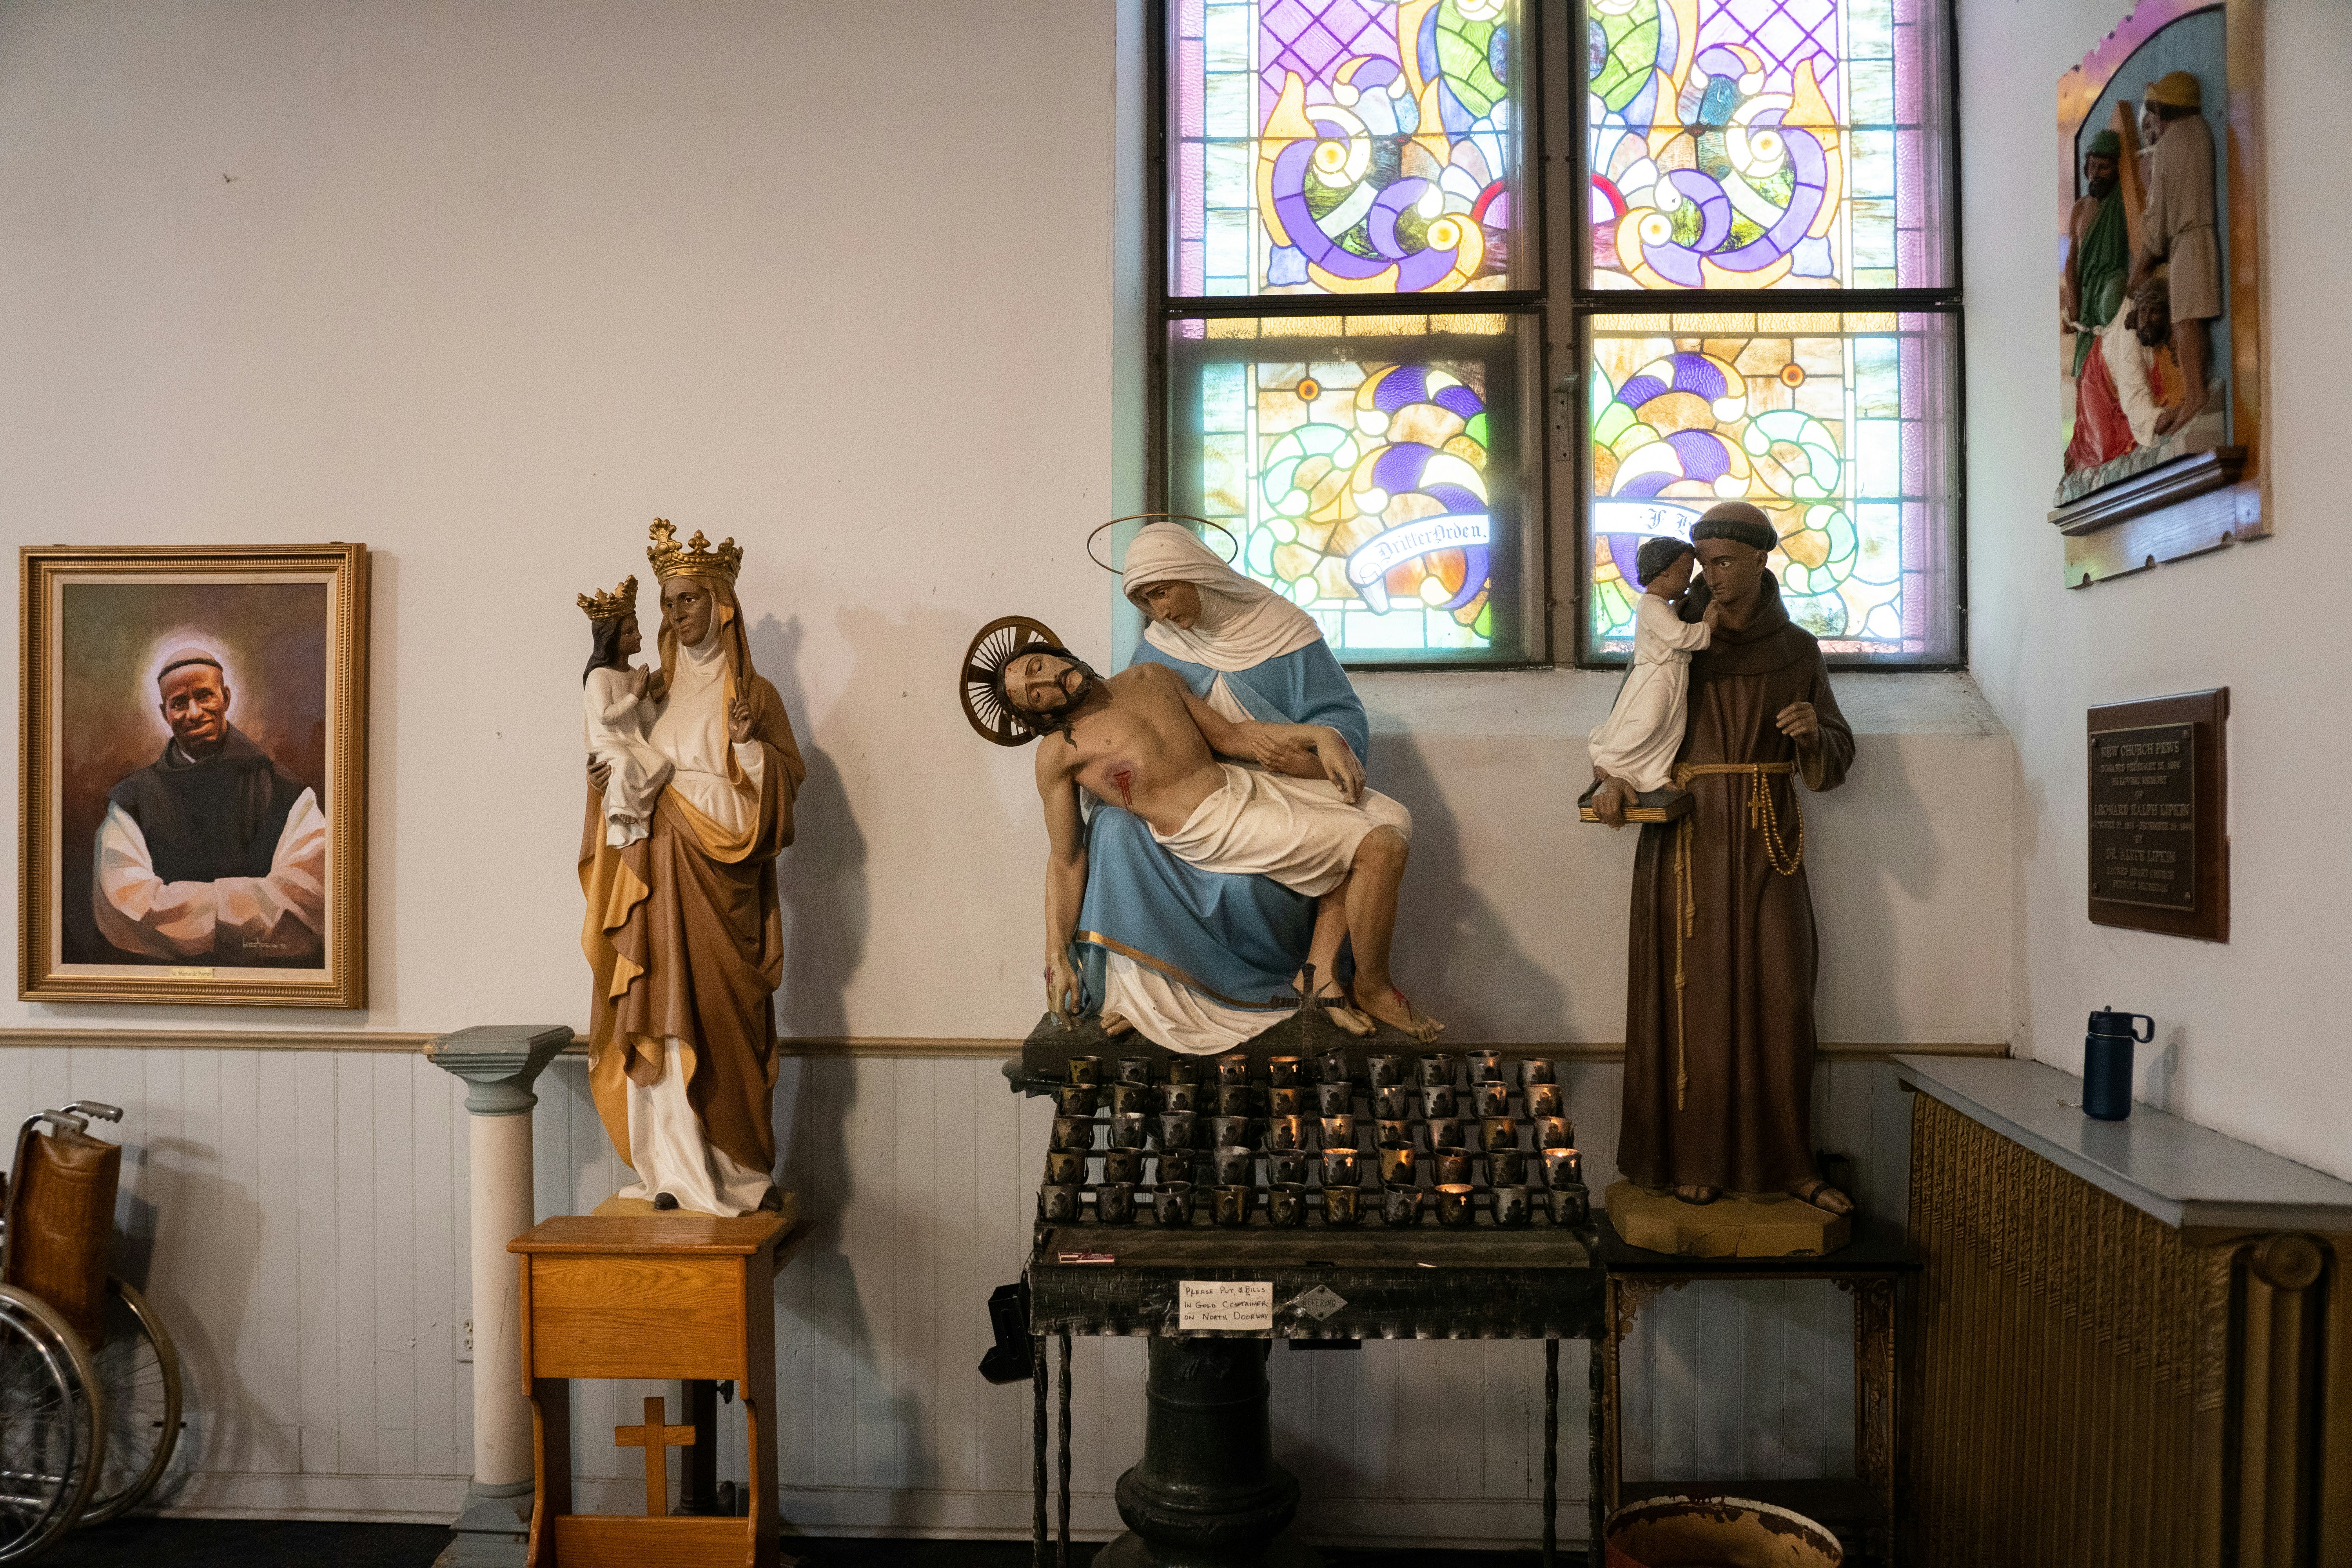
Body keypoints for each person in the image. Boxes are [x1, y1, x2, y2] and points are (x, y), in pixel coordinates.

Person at [1590, 502, 1855, 1212]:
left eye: (1726, 561)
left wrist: (1812, 734)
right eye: (1704, 562)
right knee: (1695, 1000)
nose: (1711, 574)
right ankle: (1694, 1157)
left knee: (1783, 995)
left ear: (1762, 560)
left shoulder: (1798, 650)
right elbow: (1630, 720)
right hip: (1689, 838)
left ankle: (1789, 1163)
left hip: (1769, 834)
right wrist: (1610, 779)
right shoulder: (1676, 637)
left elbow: (1836, 753)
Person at [999, 639, 1441, 1043]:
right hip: (1208, 826)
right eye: (1034, 695)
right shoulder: (1059, 752)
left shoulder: (1151, 676)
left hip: (1241, 787)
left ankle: (1321, 973)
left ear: (1054, 653)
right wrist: (1056, 952)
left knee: (1392, 816)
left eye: (1038, 667)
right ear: (1039, 715)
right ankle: (1372, 986)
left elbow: (1234, 737)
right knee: (1381, 847)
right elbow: (1067, 859)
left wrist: (1320, 736)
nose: (1046, 682)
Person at [581, 522, 806, 1217]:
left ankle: (736, 1169)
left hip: (725, 882)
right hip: (656, 876)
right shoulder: (651, 691)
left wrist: (751, 748)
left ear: (722, 605)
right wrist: (600, 784)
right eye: (668, 602)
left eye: (690, 599)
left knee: (722, 1016)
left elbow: (783, 794)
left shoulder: (755, 696)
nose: (677, 614)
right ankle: (672, 1168)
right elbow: (619, 766)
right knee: (659, 1010)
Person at [1084, 521, 1380, 1047]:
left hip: (1281, 785)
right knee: (1112, 826)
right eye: (1146, 603)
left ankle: (1313, 980)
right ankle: (1148, 994)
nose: (1159, 613)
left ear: (1195, 573)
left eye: (1162, 593)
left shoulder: (1285, 631)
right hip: (1195, 796)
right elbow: (1131, 731)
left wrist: (1305, 756)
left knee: (1361, 839)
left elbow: (1340, 719)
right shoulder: (1159, 647)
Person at [93, 645, 326, 964]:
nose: (193, 713)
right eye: (179, 703)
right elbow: (124, 907)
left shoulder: (286, 792)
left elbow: (310, 898)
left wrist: (181, 911)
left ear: (225, 698)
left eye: (204, 696)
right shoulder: (131, 800)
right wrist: (253, 905)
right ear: (164, 713)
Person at [1586, 536, 1719, 800]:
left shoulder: (1663, 606)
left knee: (1674, 727)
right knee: (1650, 722)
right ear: (1664, 572)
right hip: (1657, 675)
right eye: (1685, 573)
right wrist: (1708, 626)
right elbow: (1678, 636)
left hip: (1674, 673)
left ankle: (1655, 774)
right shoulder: (1651, 605)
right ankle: (1611, 761)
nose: (1688, 581)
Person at [2132, 70, 2219, 438]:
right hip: (2201, 238)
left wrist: (2142, 266)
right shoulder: (2201, 132)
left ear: (2165, 111)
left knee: (2184, 324)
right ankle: (2195, 395)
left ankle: (2196, 395)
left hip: (2186, 242)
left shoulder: (2169, 147)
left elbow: (2158, 218)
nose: (2154, 126)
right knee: (2191, 321)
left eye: (2154, 116)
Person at [577, 575, 672, 848]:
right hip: (608, 743)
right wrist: (635, 695)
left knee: (661, 764)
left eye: (637, 629)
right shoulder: (599, 676)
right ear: (611, 639)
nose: (639, 636)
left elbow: (649, 719)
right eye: (629, 632)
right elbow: (606, 716)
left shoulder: (632, 674)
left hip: (633, 740)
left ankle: (638, 814)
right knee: (626, 764)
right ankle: (620, 818)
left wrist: (644, 696)